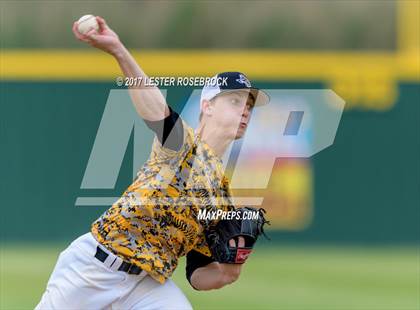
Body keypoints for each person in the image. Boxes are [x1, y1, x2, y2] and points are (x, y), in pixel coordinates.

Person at [36, 16, 269, 309]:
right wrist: (119, 51)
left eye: (249, 106)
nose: (245, 111)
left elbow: (197, 274)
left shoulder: (220, 195)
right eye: (235, 101)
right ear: (207, 107)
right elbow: (154, 106)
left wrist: (231, 269)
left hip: (146, 285)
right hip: (94, 269)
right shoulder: (183, 143)